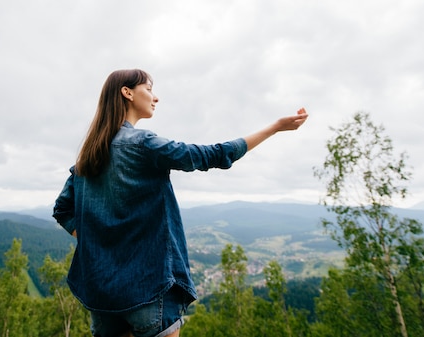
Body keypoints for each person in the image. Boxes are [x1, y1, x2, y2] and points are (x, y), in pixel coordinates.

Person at [53, 69, 308, 337]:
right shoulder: (143, 144)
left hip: (102, 295)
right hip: (148, 288)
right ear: (127, 92)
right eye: (149, 88)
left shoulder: (89, 154)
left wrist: (99, 242)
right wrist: (275, 127)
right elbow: (213, 155)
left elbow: (62, 210)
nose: (156, 97)